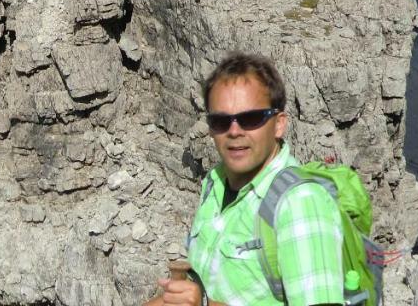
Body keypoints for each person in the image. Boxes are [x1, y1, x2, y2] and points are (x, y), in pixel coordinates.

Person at [145, 53, 345, 306]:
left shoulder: (300, 203)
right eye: (220, 121)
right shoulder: (214, 182)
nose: (235, 131)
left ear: (279, 124)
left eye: (251, 118)